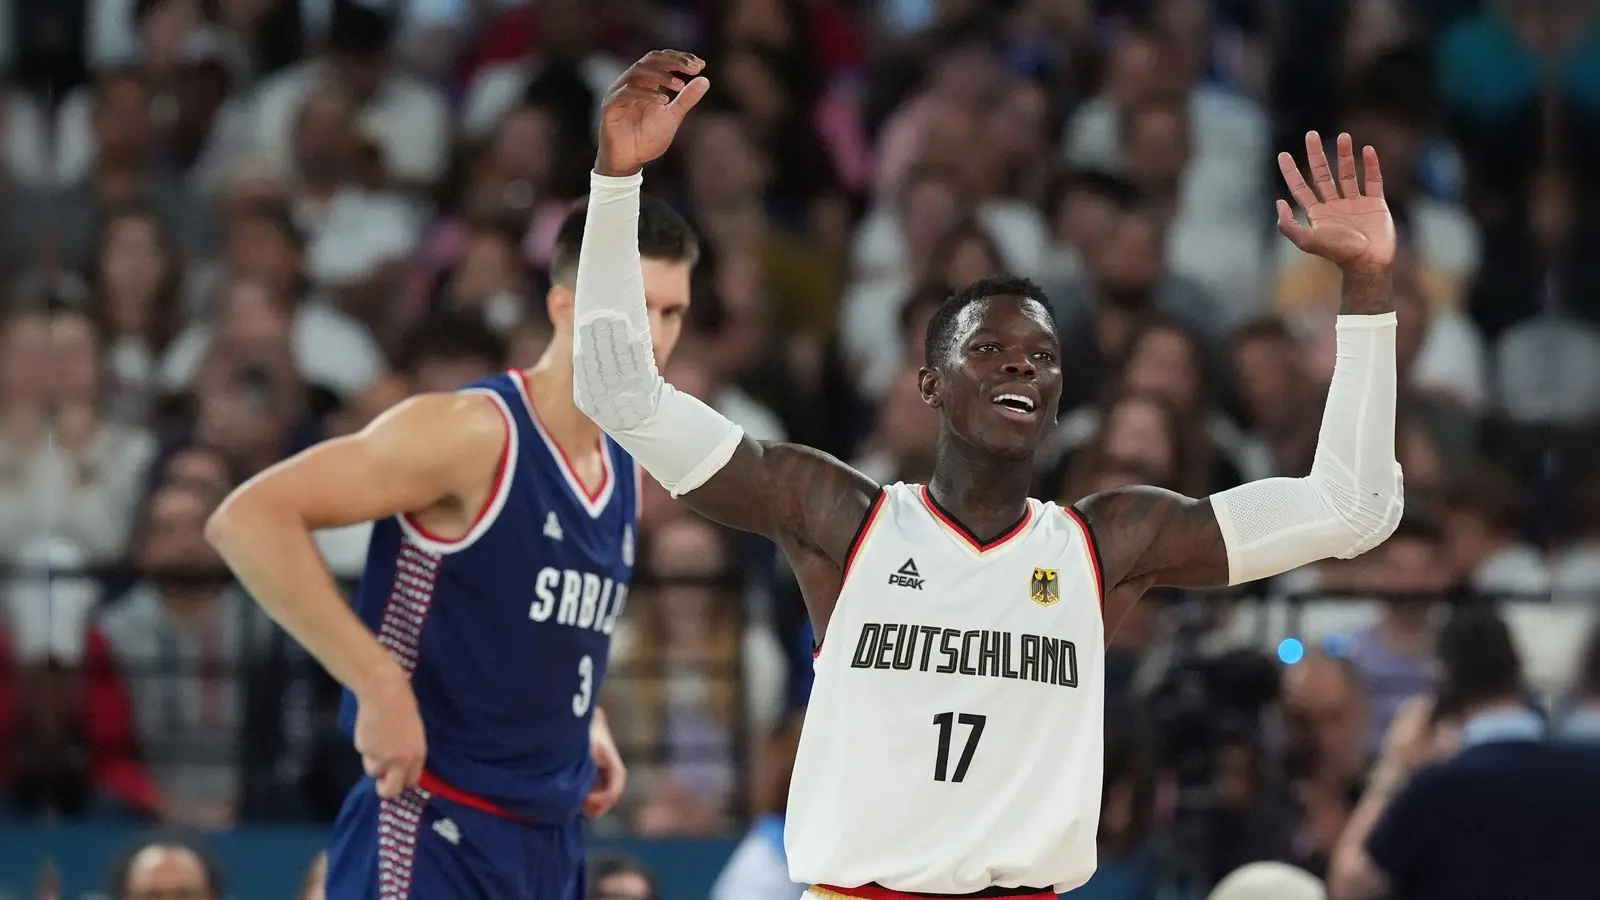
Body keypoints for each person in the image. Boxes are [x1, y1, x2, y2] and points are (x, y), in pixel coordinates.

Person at [574, 51, 1403, 897]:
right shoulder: (836, 513)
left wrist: (1368, 288)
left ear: (1057, 392)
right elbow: (618, 391)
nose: (1020, 368)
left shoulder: (1108, 539)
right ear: (930, 383)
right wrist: (615, 182)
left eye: (1042, 356)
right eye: (990, 350)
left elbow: (1353, 506)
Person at [205, 191, 701, 895]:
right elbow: (248, 519)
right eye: (635, 307)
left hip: (549, 839)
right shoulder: (475, 431)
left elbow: (529, 617)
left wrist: (581, 720)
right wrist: (375, 681)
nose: (652, 334)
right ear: (564, 307)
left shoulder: (622, 458)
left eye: (671, 311)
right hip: (434, 820)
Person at [1329, 607, 1600, 900]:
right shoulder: (1588, 773)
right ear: (1519, 665)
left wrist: (1393, 769)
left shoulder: (1436, 787)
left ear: (1442, 677)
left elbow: (1350, 884)